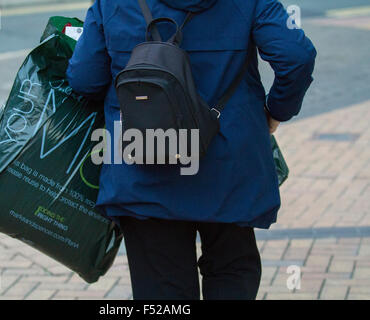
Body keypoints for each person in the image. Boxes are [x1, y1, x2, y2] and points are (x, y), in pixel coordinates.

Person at [67, 0, 316, 300]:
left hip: (144, 165)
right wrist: (276, 112)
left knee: (161, 288)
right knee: (231, 270)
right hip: (227, 167)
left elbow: (85, 79)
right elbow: (296, 57)